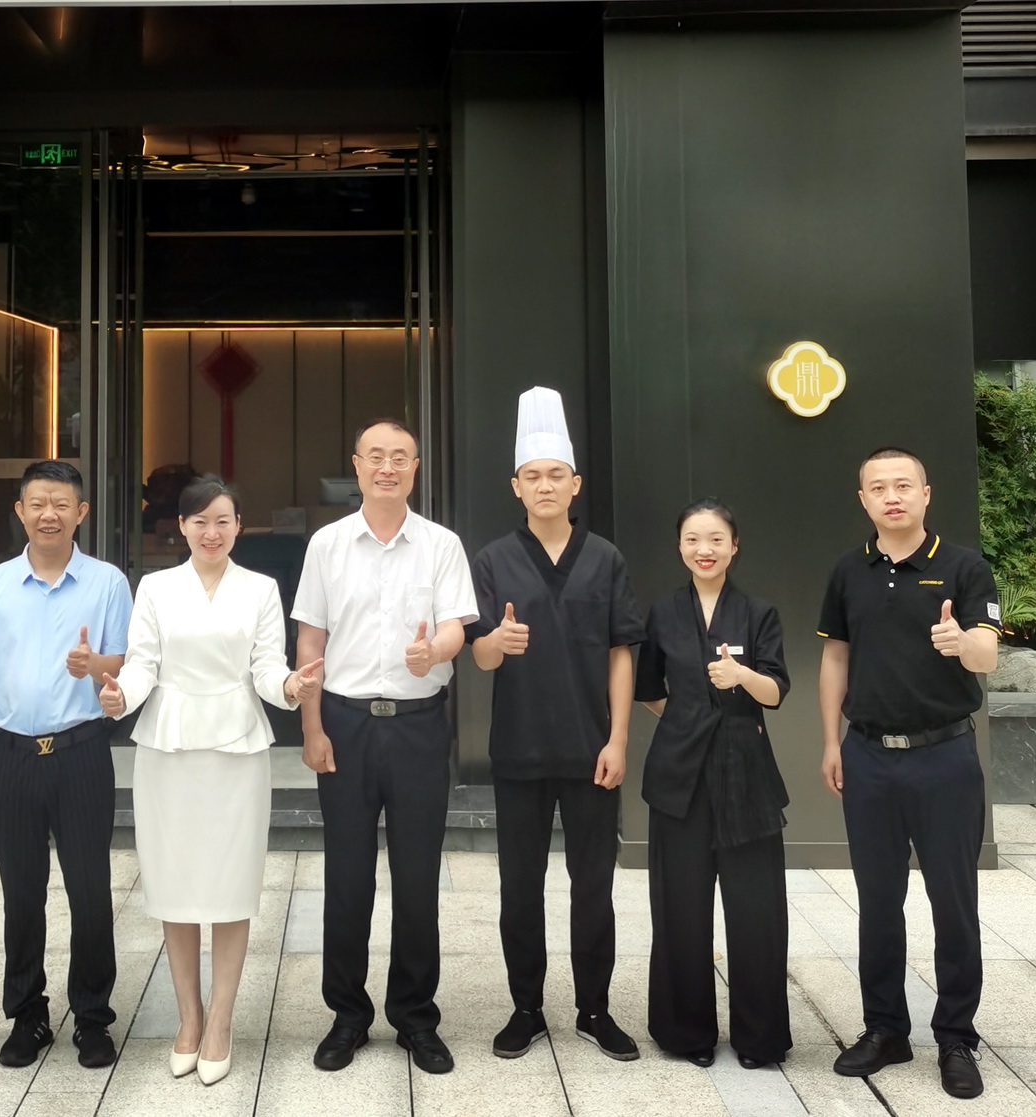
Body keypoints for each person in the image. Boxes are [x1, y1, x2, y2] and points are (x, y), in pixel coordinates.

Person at [97, 476, 323, 1086]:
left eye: (222, 520)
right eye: (199, 521)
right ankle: (188, 1019)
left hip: (236, 747)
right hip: (167, 747)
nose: (211, 531)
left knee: (230, 885)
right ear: (182, 527)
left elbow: (267, 665)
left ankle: (220, 1021)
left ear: (239, 526)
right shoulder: (156, 587)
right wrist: (119, 698)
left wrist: (290, 687)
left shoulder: (261, 588)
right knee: (174, 885)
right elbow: (142, 664)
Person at [293, 417, 478, 1076]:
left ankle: (415, 1016)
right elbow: (310, 641)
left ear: (415, 468)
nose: (387, 467)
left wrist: (435, 651)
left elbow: (457, 626)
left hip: (419, 726)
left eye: (400, 457)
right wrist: (311, 728)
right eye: (376, 456)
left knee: (418, 877)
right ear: (357, 465)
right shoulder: (326, 545)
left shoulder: (441, 544)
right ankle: (347, 1015)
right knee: (346, 878)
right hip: (344, 723)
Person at [467, 386, 644, 1064]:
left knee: (593, 886)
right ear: (516, 487)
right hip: (519, 750)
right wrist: (497, 641)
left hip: (591, 749)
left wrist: (618, 739)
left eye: (556, 475)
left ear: (576, 483)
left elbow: (621, 651)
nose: (545, 486)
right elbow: (480, 655)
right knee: (520, 887)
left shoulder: (605, 557)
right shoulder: (493, 559)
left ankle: (594, 1008)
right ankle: (526, 1008)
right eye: (532, 476)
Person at [819, 447, 999, 1101]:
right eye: (878, 487)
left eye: (902, 485)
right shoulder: (849, 570)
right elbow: (835, 658)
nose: (891, 496)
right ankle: (885, 1029)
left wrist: (962, 642)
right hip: (867, 755)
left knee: (953, 902)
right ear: (862, 499)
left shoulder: (964, 566)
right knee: (876, 902)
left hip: (943, 757)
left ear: (926, 493)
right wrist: (830, 741)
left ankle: (955, 1037)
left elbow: (987, 653)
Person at [0, 460, 132, 1071]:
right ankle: (27, 1014)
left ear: (81, 513)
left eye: (61, 504)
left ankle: (93, 1017)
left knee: (90, 891)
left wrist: (94, 666)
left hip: (81, 754)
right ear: (20, 512)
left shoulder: (107, 583)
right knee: (21, 893)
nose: (49, 514)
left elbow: (123, 662)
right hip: (12, 757)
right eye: (37, 503)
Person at [635, 498, 792, 1069]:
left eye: (716, 540)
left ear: (734, 546)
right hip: (678, 777)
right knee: (680, 908)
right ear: (680, 547)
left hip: (746, 774)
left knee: (757, 913)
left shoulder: (758, 612)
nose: (704, 550)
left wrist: (741, 675)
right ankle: (686, 1034)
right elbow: (648, 690)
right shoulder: (663, 612)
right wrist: (689, 720)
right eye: (693, 540)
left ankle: (760, 1038)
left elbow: (776, 692)